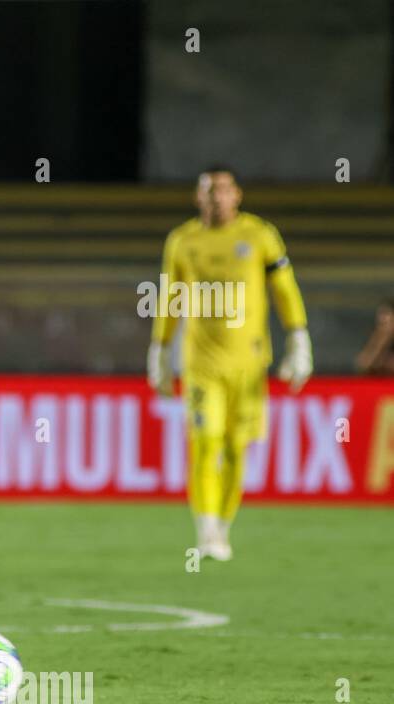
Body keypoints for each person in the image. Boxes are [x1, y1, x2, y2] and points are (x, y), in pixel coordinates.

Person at [147, 166, 312, 562]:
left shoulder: (260, 236)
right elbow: (169, 298)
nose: (217, 198)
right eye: (209, 191)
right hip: (201, 364)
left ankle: (222, 527)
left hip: (250, 364)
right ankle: (205, 530)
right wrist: (160, 350)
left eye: (223, 190)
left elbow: (284, 289)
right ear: (197, 197)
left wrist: (299, 338)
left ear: (236, 195)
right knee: (206, 442)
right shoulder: (182, 241)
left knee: (238, 447)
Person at [355, 298, 394, 375]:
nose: (382, 319)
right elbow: (363, 365)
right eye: (380, 314)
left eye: (386, 314)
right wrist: (381, 339)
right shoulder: (377, 336)